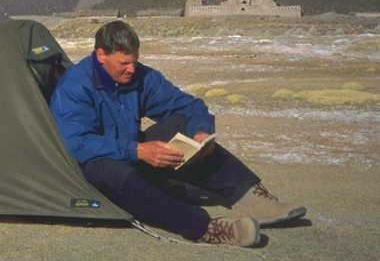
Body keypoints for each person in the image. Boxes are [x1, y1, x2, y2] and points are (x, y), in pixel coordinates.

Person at [49, 21, 306, 247]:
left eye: (135, 60)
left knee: (181, 124)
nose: (131, 68)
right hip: (95, 167)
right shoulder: (74, 85)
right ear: (101, 55)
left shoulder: (140, 76)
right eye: (124, 63)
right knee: (113, 171)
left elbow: (188, 106)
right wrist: (137, 151)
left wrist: (200, 134)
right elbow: (78, 143)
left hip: (132, 154)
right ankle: (207, 228)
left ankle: (248, 197)